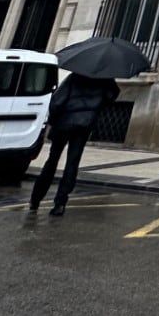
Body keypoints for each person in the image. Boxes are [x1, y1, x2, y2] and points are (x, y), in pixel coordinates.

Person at [30, 71, 118, 217]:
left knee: (52, 161)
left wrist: (52, 121)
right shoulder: (105, 79)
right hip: (84, 125)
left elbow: (57, 101)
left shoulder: (75, 76)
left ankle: (36, 199)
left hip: (63, 123)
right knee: (72, 162)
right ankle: (60, 203)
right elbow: (111, 97)